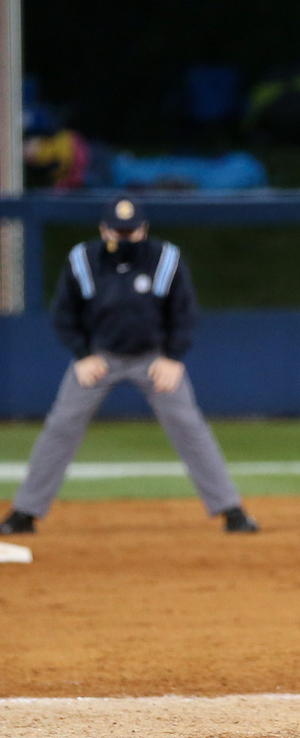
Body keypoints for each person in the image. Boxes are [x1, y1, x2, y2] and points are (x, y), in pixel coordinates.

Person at [0, 197, 258, 535]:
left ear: (144, 229)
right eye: (117, 231)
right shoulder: (83, 260)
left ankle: (231, 510)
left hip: (153, 359)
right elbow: (64, 314)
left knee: (189, 426)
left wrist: (172, 358)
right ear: (104, 229)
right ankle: (25, 512)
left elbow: (184, 314)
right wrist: (82, 355)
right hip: (99, 357)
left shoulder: (166, 258)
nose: (124, 237)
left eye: (131, 231)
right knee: (61, 425)